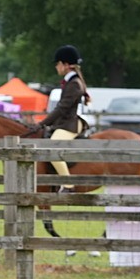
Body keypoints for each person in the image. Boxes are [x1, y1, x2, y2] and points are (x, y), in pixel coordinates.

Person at [30, 44, 91, 192]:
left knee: (52, 147)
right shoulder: (70, 82)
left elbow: (62, 108)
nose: (56, 67)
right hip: (65, 123)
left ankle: (68, 185)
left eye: (58, 64)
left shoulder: (74, 84)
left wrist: (42, 123)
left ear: (65, 65)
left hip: (71, 124)